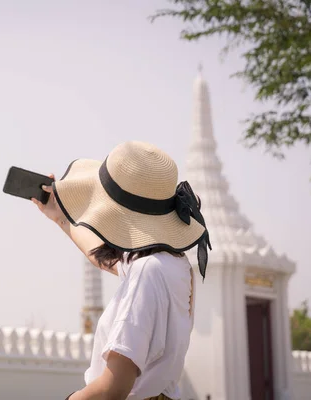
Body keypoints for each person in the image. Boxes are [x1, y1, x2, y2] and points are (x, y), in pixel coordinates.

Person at [31, 141, 211, 400]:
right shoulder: (174, 264)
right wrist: (59, 215)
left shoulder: (148, 271)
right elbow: (102, 258)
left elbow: (112, 389)